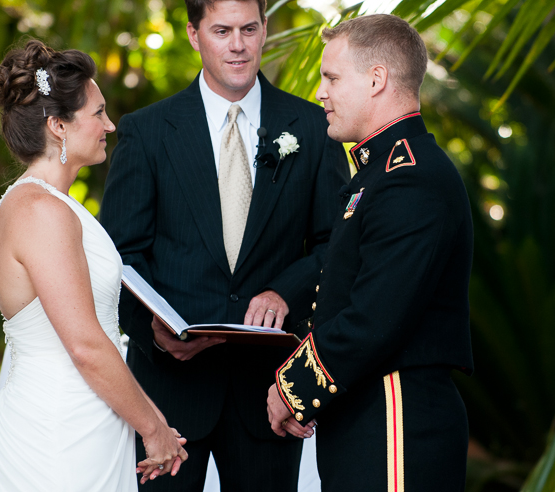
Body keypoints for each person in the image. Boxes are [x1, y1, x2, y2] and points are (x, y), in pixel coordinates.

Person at [99, 0, 350, 489]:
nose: (238, 45)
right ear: (194, 35)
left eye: (249, 29)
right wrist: (154, 332)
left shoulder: (314, 128)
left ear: (263, 31)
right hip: (167, 396)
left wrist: (285, 292)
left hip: (268, 394)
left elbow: (335, 243)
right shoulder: (146, 132)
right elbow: (119, 259)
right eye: (221, 31)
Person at [266, 14, 474, 491]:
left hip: (396, 418)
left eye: (332, 77)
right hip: (369, 414)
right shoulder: (382, 171)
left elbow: (374, 317)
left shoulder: (410, 177)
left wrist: (294, 389)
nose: (321, 92)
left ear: (377, 79)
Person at [0, 40, 188, 491]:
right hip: (57, 435)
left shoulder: (53, 205)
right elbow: (86, 345)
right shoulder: (40, 211)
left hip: (85, 423)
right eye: (98, 112)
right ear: (58, 126)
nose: (109, 124)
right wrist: (153, 427)